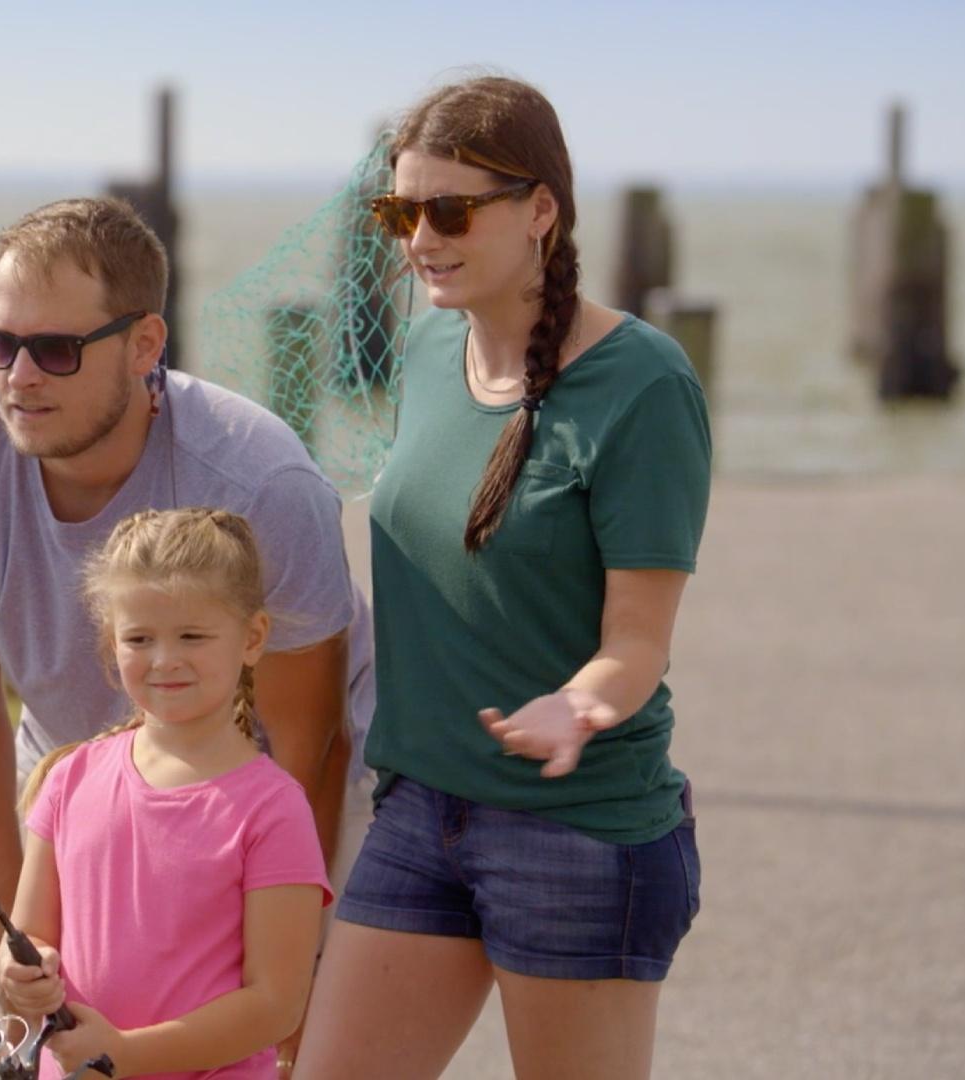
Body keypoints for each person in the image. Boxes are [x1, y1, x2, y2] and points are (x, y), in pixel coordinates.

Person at [0, 196, 374, 1020]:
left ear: (144, 345)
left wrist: (278, 973)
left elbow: (305, 741)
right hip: (71, 785)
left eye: (56, 349)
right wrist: (13, 943)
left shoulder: (264, 484)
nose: (17, 378)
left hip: (260, 788)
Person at [296, 76, 711, 1080]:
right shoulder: (435, 348)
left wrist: (577, 706)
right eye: (401, 211)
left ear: (540, 211)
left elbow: (637, 642)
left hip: (574, 832)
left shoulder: (643, 385)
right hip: (420, 807)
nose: (418, 239)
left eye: (449, 211)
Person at [0, 508, 330, 1078]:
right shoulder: (68, 779)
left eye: (193, 636)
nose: (165, 659)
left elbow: (277, 1004)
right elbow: (29, 933)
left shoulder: (274, 809)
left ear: (252, 639)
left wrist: (127, 1054)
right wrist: (19, 974)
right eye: (139, 638)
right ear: (112, 643)